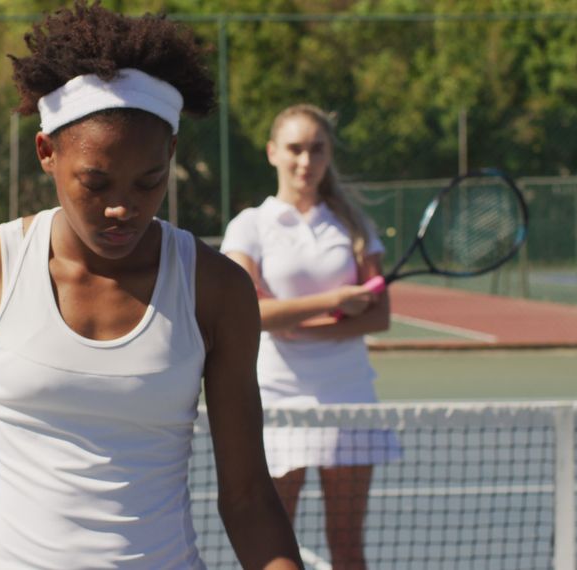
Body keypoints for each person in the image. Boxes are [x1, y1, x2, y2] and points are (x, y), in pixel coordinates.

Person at [0, 3, 302, 570]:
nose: (123, 206)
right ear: (46, 153)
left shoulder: (216, 289)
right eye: (95, 183)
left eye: (149, 182)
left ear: (171, 153)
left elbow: (247, 494)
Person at [220, 104, 400, 570]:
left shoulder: (354, 224)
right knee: (274, 545)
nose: (306, 161)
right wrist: (334, 302)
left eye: (316, 149)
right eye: (295, 149)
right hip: (278, 398)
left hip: (348, 395)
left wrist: (293, 321)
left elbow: (378, 317)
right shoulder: (250, 225)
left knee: (347, 544)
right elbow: (248, 313)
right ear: (272, 153)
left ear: (328, 154)